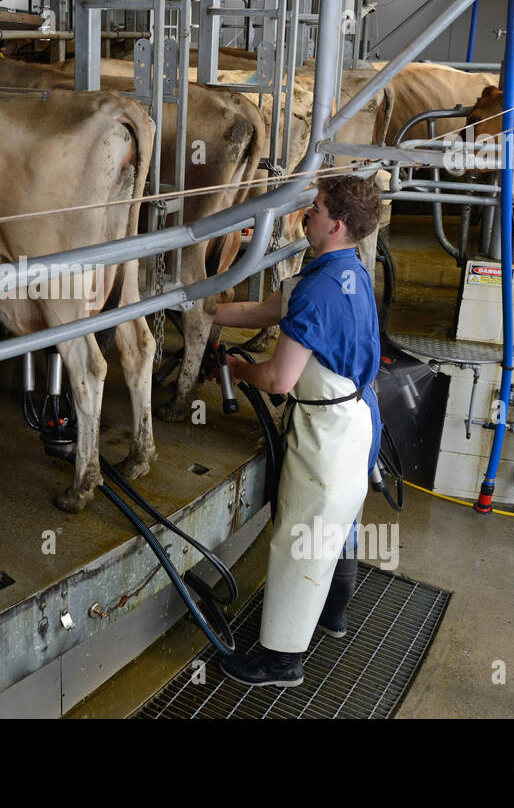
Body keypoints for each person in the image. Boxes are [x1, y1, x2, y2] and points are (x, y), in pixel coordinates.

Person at [213, 174, 383, 687]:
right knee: (339, 527)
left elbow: (280, 381)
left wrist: (240, 370)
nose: (304, 216)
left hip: (325, 434)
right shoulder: (346, 271)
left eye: (314, 209)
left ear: (335, 224)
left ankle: (279, 661)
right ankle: (333, 615)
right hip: (358, 419)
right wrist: (200, 310)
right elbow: (269, 309)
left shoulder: (317, 290)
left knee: (300, 542)